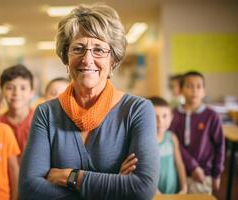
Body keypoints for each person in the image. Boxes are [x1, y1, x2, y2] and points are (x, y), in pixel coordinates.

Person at [19, 4, 159, 199]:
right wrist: (114, 187)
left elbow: (142, 188)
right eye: (78, 48)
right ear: (66, 58)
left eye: (99, 50)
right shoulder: (45, 113)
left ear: (113, 60)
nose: (87, 59)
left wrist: (71, 177)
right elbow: (29, 189)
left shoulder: (138, 110)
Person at [169, 71, 225, 194]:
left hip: (203, 175)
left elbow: (220, 145)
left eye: (199, 86)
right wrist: (192, 166)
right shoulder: (173, 115)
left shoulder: (212, 116)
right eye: (189, 86)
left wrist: (217, 174)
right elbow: (173, 143)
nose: (194, 90)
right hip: (178, 173)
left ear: (204, 91)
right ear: (181, 90)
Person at [148, 96, 187, 194]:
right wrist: (155, 191)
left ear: (171, 117)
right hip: (154, 192)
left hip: (173, 189)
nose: (160, 121)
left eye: (164, 116)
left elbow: (179, 164)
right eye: (154, 116)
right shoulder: (145, 142)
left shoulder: (172, 138)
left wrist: (184, 187)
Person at [0, 64, 35, 163]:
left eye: (23, 88)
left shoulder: (41, 121)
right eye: (10, 88)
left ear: (32, 92)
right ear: (1, 91)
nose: (16, 93)